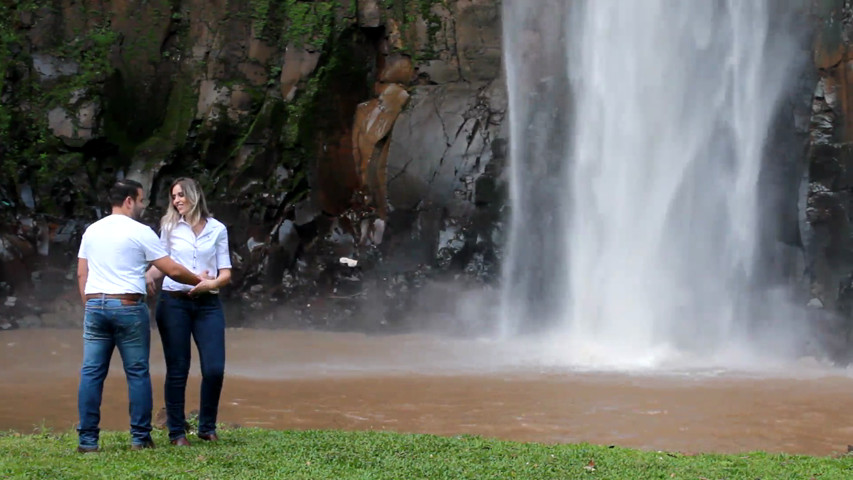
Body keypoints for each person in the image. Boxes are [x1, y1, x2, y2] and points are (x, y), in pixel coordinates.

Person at [76, 179, 206, 453]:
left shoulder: (92, 231)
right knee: (136, 372)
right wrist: (199, 280)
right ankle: (139, 438)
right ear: (128, 201)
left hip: (95, 306)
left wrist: (89, 304)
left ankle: (87, 441)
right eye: (142, 200)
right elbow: (170, 268)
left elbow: (82, 273)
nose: (144, 206)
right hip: (127, 306)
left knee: (91, 373)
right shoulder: (140, 231)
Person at [146, 177, 232, 446]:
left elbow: (226, 272)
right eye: (173, 196)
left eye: (181, 195)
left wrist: (211, 284)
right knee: (178, 369)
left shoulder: (218, 229)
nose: (177, 201)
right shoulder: (169, 227)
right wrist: (147, 276)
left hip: (208, 303)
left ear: (195, 195)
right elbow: (162, 263)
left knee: (214, 368)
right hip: (174, 303)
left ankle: (207, 426)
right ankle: (176, 432)